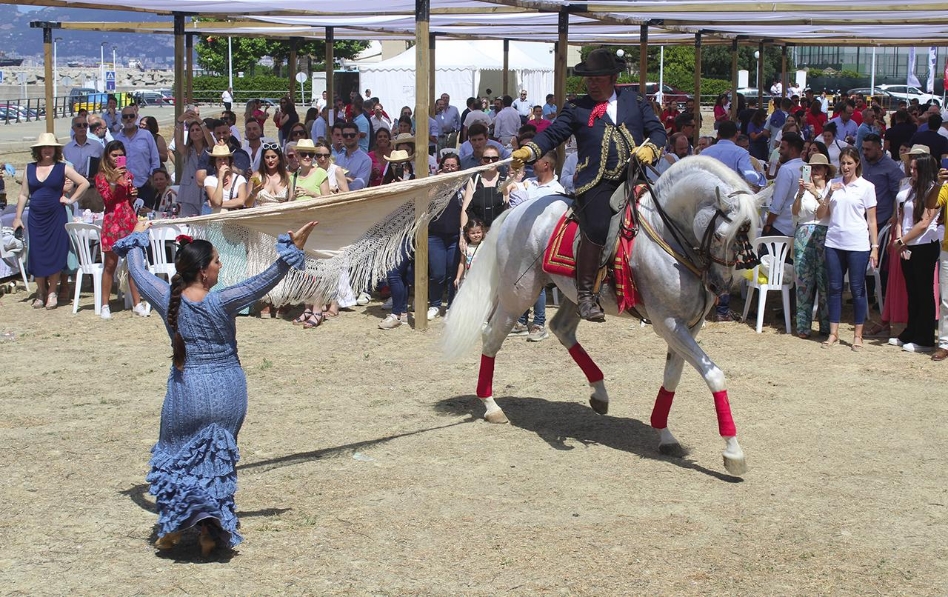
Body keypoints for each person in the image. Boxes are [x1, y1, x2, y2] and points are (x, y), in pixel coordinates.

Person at [114, 218, 316, 556]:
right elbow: (266, 279)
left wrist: (138, 234)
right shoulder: (223, 300)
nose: (221, 266)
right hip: (227, 392)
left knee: (178, 457)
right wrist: (291, 250)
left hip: (187, 390)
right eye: (217, 261)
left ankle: (182, 522)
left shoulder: (166, 297)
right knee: (215, 461)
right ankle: (209, 529)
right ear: (204, 272)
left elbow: (136, 269)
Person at [511, 49, 666, 321]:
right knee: (596, 225)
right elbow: (554, 134)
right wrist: (530, 150)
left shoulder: (636, 101)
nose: (592, 84)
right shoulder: (576, 108)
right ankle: (585, 295)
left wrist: (652, 149)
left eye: (598, 79)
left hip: (635, 178)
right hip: (597, 182)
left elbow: (658, 131)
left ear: (614, 77)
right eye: (589, 80)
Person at [13, 133, 89, 310]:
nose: (47, 150)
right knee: (37, 253)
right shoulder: (29, 168)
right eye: (44, 148)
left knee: (55, 252)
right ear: (38, 150)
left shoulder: (62, 167)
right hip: (36, 216)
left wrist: (70, 200)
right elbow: (24, 194)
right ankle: (40, 291)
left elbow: (83, 183)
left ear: (56, 150)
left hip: (56, 215)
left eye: (50, 147)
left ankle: (53, 292)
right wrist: (17, 217)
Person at [818, 147, 879, 351]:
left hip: (858, 244)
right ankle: (833, 333)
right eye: (843, 163)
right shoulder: (832, 185)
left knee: (857, 289)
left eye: (849, 163)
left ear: (857, 164)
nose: (845, 167)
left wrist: (875, 246)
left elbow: (872, 220)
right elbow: (821, 215)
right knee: (834, 288)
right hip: (834, 242)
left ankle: (857, 335)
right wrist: (828, 196)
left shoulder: (866, 187)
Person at [506, 150, 565, 342]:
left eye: (537, 160)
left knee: (535, 283)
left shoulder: (557, 191)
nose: (533, 163)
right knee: (521, 281)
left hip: (542, 244)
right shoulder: (528, 183)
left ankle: (539, 323)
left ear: (546, 164)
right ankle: (522, 321)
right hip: (521, 239)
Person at [889, 154, 941, 353]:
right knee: (912, 291)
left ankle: (925, 337)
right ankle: (911, 330)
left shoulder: (933, 190)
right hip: (908, 244)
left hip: (924, 244)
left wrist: (903, 240)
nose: (911, 172)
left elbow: (925, 222)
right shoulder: (909, 188)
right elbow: (901, 213)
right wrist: (901, 239)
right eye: (910, 168)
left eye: (915, 169)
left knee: (924, 291)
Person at [94, 140, 148, 319]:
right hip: (112, 222)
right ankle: (104, 305)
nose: (117, 158)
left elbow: (128, 199)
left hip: (128, 219)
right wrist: (114, 182)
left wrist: (133, 195)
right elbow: (107, 199)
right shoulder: (102, 176)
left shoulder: (128, 175)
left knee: (133, 264)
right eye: (113, 155)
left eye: (120, 155)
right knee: (110, 264)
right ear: (107, 156)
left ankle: (137, 303)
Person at [791, 153, 834, 338]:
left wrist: (816, 193)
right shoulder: (802, 190)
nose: (815, 171)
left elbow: (826, 212)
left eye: (818, 168)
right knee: (803, 280)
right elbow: (795, 211)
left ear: (825, 171)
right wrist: (801, 193)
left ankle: (826, 325)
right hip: (804, 231)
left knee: (825, 280)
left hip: (825, 232)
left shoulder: (831, 189)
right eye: (812, 168)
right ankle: (803, 326)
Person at [426, 153, 463, 320]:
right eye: (446, 166)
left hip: (455, 236)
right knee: (437, 273)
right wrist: (438, 181)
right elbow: (427, 200)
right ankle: (434, 304)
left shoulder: (463, 186)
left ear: (458, 168)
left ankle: (451, 306)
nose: (449, 169)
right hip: (436, 235)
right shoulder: (434, 184)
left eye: (452, 166)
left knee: (452, 272)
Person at [115, 105, 161, 209]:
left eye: (131, 116)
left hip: (145, 184)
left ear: (136, 118)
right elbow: (117, 162)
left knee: (145, 217)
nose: (128, 119)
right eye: (125, 116)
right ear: (121, 119)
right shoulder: (117, 139)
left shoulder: (146, 135)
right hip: (124, 186)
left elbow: (155, 158)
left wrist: (151, 177)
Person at [925, 163, 948, 361]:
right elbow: (931, 204)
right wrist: (939, 184)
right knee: (946, 301)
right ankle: (945, 343)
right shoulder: (946, 186)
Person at [764, 132, 806, 237]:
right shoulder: (806, 167)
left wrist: (768, 224)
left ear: (792, 150)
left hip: (781, 227)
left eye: (782, 148)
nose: (779, 151)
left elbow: (777, 204)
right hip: (798, 227)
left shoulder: (786, 169)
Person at [460, 146, 507, 230]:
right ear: (481, 160)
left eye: (494, 159)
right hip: (478, 234)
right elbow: (465, 209)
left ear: (499, 160)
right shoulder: (474, 180)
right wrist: (462, 233)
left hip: (498, 232)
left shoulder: (505, 180)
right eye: (486, 159)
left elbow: (509, 207)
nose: (490, 161)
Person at [173, 108, 209, 217]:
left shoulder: (210, 150)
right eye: (192, 130)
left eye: (198, 130)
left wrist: (199, 120)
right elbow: (178, 141)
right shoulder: (188, 151)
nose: (195, 132)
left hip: (205, 193)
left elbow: (211, 140)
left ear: (203, 133)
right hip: (188, 193)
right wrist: (180, 121)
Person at [203, 143, 251, 212]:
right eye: (219, 159)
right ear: (214, 163)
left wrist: (217, 204)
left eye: (225, 159)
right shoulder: (210, 180)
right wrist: (220, 179)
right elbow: (217, 201)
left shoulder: (240, 179)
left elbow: (241, 201)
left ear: (229, 161)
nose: (223, 162)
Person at [455, 218, 485, 289]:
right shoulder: (465, 247)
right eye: (473, 233)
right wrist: (458, 277)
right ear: (467, 234)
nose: (476, 235)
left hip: (481, 280)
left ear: (482, 232)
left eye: (478, 232)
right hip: (468, 279)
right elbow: (462, 263)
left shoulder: (485, 246)